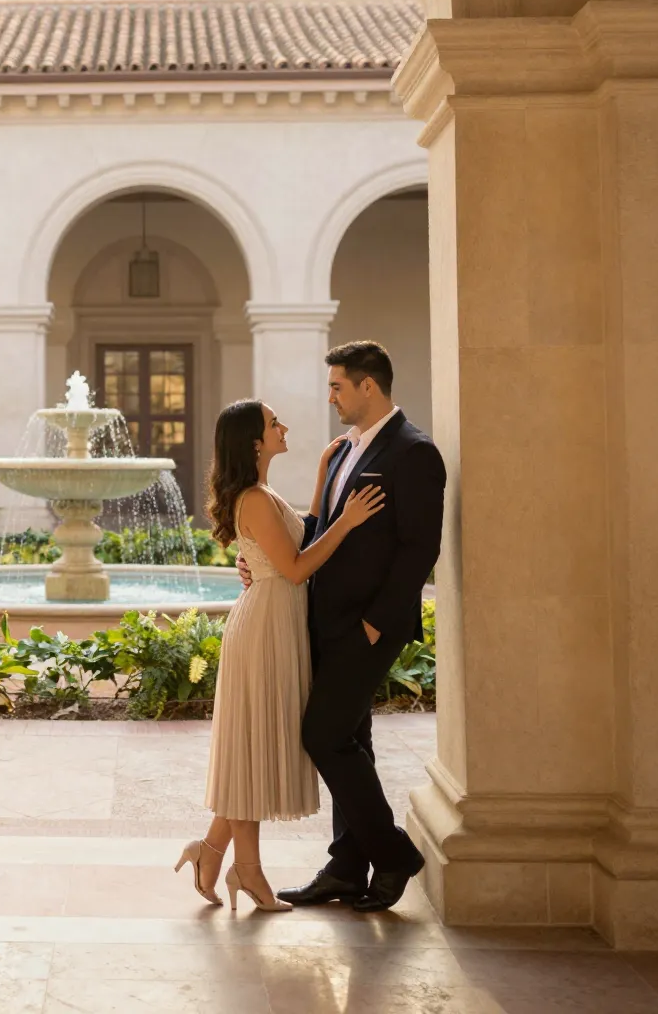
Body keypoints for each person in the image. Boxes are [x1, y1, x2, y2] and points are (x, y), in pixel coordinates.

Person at [244, 340, 445, 913]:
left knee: (322, 735)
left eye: (337, 386)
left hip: (367, 628)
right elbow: (321, 527)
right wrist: (258, 557)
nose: (330, 396)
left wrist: (378, 625)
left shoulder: (414, 452)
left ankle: (394, 853)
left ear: (368, 386)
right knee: (352, 740)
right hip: (325, 620)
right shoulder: (342, 452)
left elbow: (419, 547)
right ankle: (346, 866)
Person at [178, 398, 385, 911]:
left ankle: (215, 854)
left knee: (256, 749)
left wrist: (321, 476)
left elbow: (300, 534)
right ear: (254, 440)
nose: (283, 426)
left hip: (276, 623)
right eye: (274, 423)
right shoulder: (252, 498)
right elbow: (295, 568)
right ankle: (244, 871)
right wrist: (350, 521)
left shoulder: (263, 493)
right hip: (264, 629)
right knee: (252, 750)